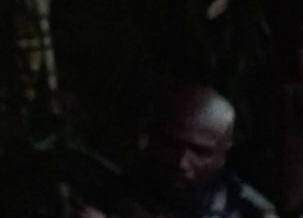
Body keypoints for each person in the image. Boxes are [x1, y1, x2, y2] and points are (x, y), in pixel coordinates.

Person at [76, 83, 279, 218]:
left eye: (199, 152)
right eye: (171, 145)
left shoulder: (249, 210)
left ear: (222, 153)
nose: (181, 162)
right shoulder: (114, 193)